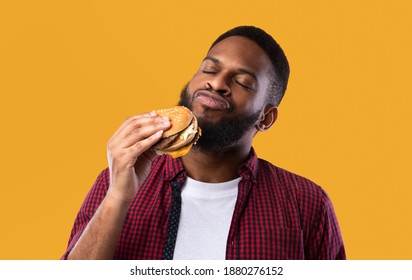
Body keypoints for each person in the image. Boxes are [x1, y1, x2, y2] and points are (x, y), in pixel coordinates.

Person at [62, 26, 346, 260]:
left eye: (243, 82)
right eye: (209, 69)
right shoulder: (118, 180)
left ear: (266, 117)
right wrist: (117, 199)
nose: (217, 83)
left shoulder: (307, 205)